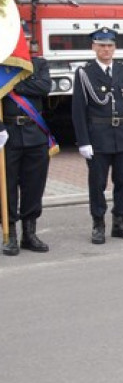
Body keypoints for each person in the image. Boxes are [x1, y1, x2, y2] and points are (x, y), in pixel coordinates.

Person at [71, 27, 123, 245]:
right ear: (94, 47)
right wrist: (83, 141)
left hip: (122, 135)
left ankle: (119, 222)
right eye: (101, 46)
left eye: (110, 46)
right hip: (98, 137)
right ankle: (98, 224)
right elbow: (78, 110)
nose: (106, 49)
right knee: (97, 184)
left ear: (115, 48)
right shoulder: (84, 73)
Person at [2, 39, 52, 255]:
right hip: (9, 135)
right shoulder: (2, 65)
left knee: (34, 186)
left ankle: (29, 233)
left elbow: (44, 87)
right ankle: (10, 232)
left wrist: (13, 84)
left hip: (35, 134)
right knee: (7, 186)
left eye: (26, 40)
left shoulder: (39, 64)